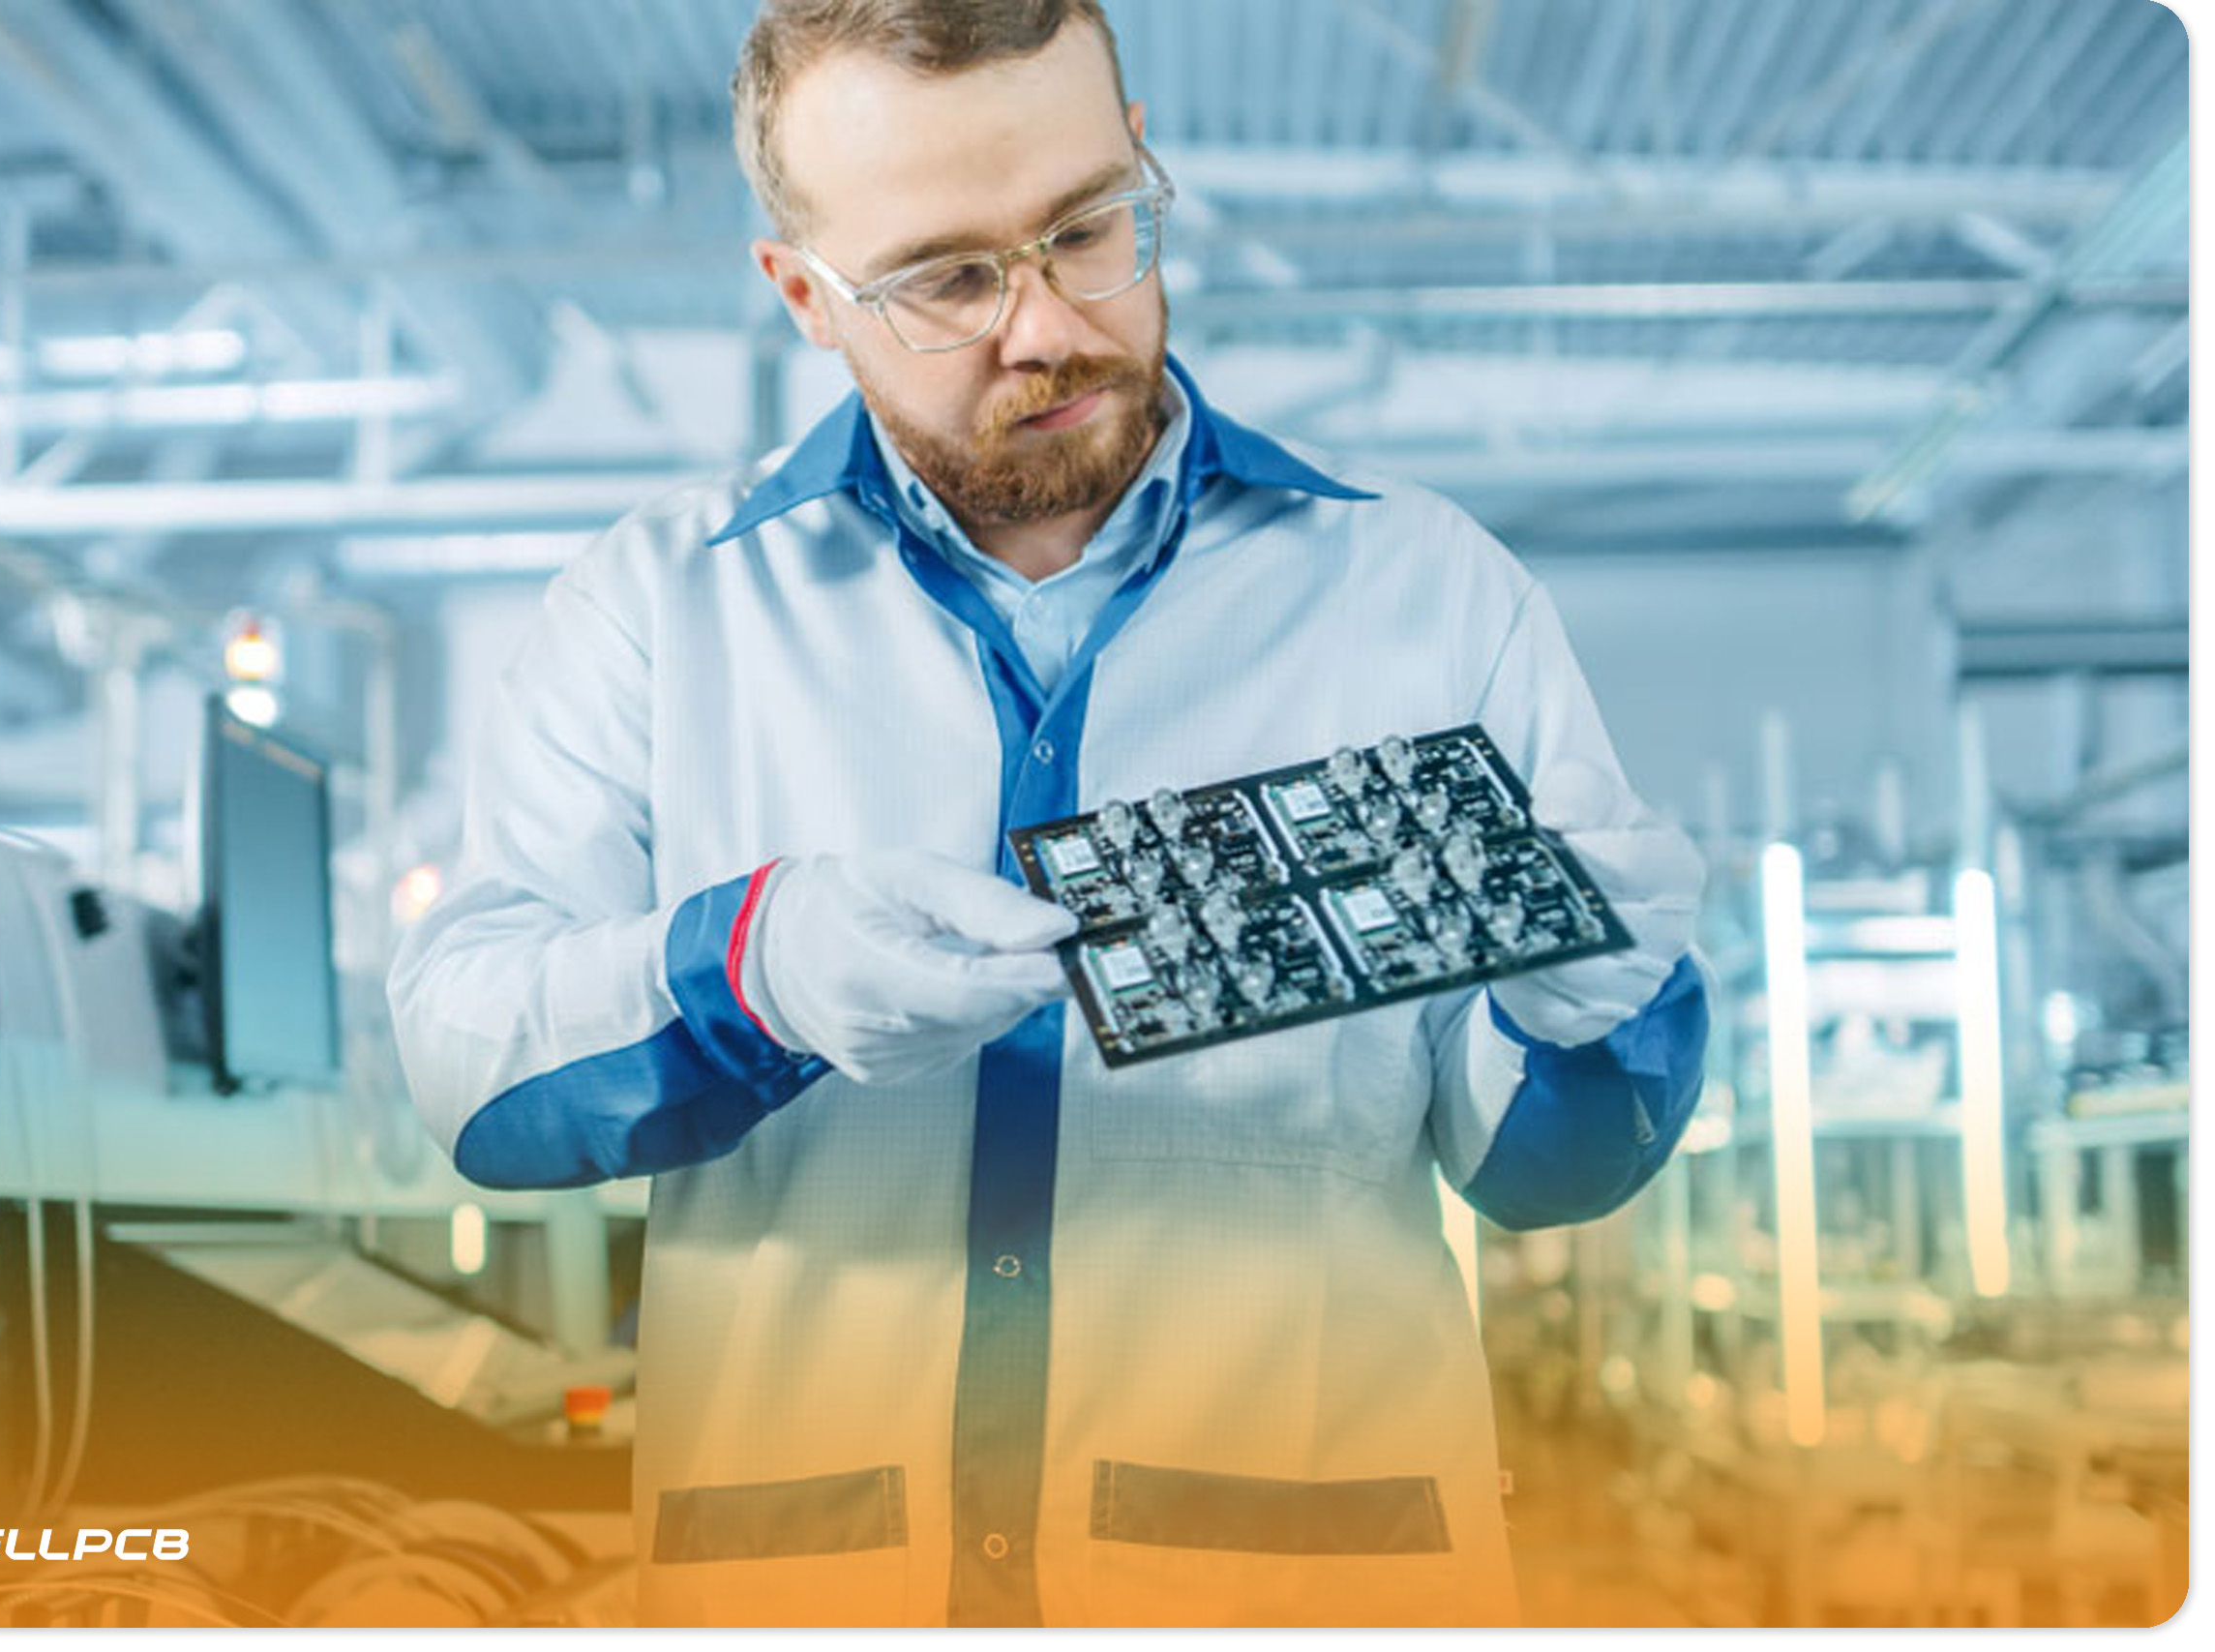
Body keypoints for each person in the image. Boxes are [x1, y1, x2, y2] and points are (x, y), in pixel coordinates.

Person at [387, 0, 1708, 1627]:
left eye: (1090, 228)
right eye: (946, 278)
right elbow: (466, 1066)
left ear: (1143, 152)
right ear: (805, 295)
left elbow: (1541, 1172)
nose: (1046, 328)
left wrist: (1595, 1010)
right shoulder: (661, 614)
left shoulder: (1427, 593)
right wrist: (756, 966)